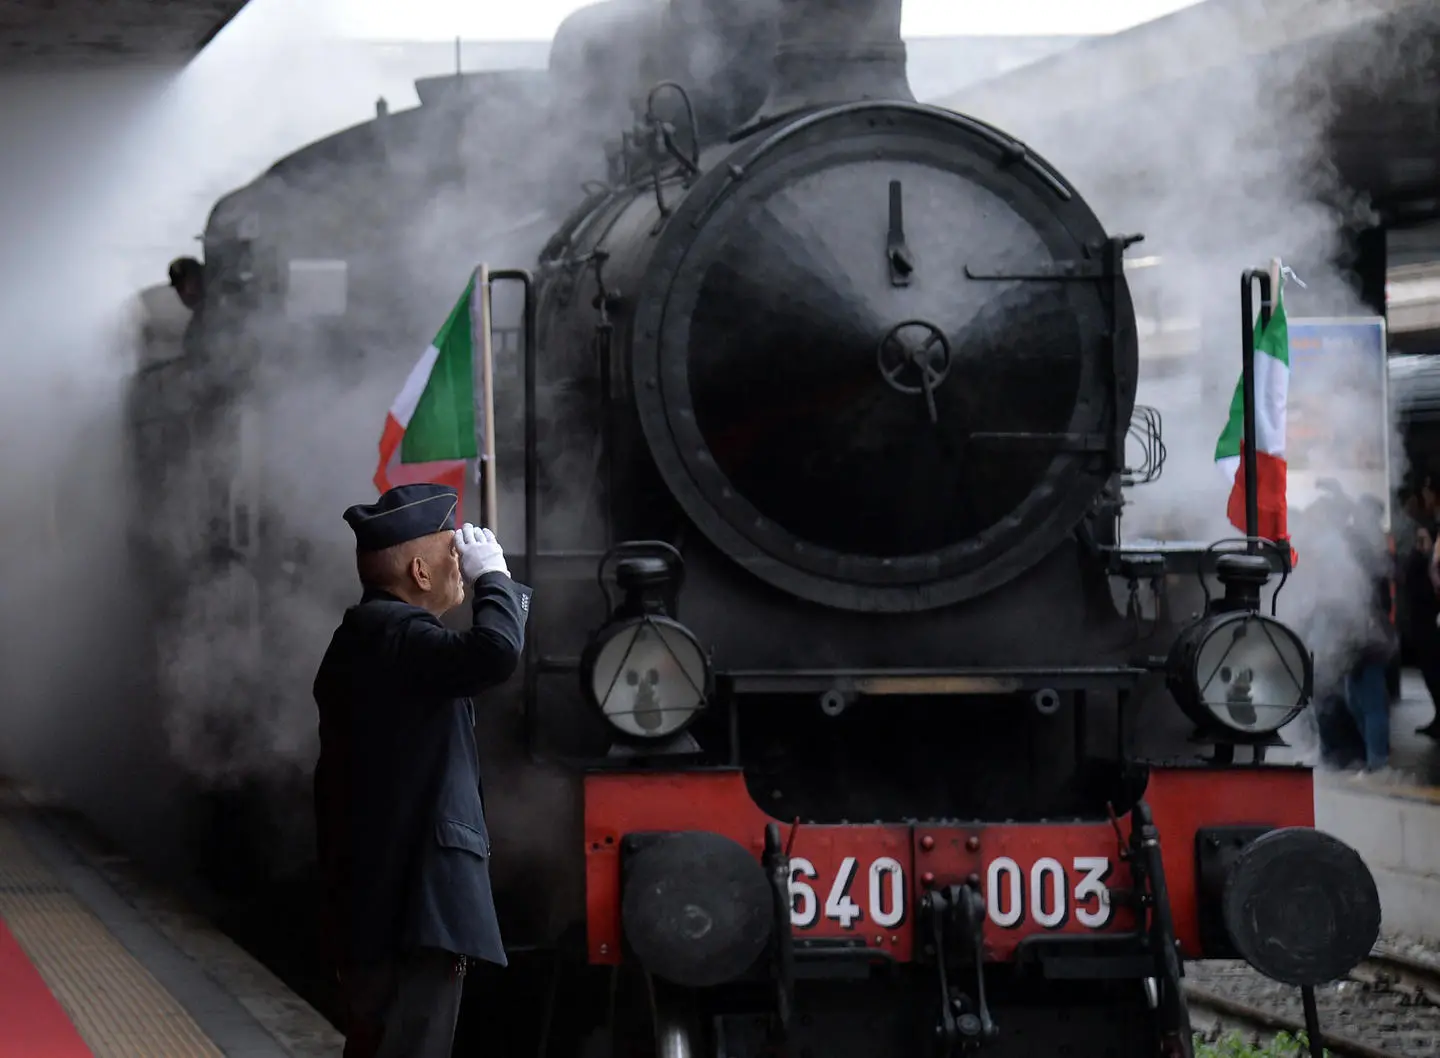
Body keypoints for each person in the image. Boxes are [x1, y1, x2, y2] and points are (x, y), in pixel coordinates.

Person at [313, 482, 532, 1058]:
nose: (461, 563)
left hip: (385, 904)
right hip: (414, 908)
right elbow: (495, 652)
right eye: (452, 555)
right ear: (420, 571)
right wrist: (496, 579)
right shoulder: (395, 636)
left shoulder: (370, 640)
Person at [1343, 495, 1398, 774]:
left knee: (1371, 698)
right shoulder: (1371, 543)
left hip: (1369, 632)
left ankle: (1378, 763)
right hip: (1362, 631)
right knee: (1355, 697)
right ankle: (1374, 758)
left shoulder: (1371, 545)